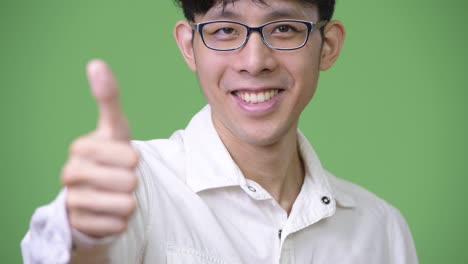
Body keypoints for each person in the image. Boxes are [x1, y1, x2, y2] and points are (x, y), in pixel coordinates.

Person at [21, 0, 418, 263]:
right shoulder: (134, 186)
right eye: (225, 30)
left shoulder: (381, 228)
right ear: (189, 47)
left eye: (283, 28)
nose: (254, 61)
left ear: (327, 46)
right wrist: (86, 238)